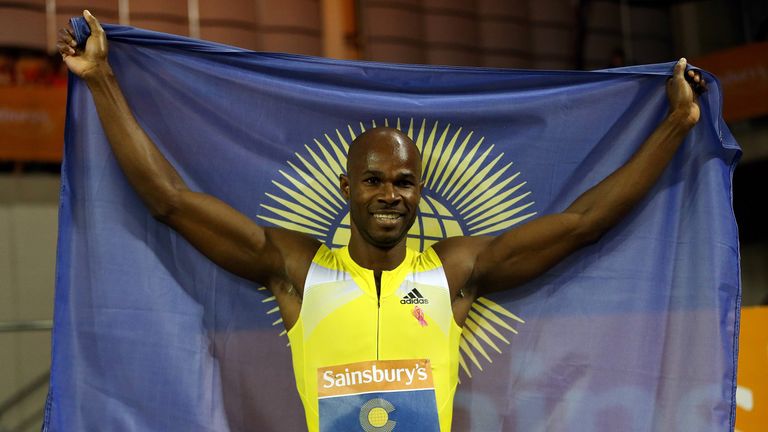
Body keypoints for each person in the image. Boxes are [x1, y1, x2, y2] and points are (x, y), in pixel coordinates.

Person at [57, 10, 706, 432]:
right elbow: (169, 199)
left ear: (420, 192)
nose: (388, 194)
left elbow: (583, 222)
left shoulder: (455, 270)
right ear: (347, 188)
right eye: (373, 181)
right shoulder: (298, 269)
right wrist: (103, 82)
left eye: (402, 182)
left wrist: (676, 124)